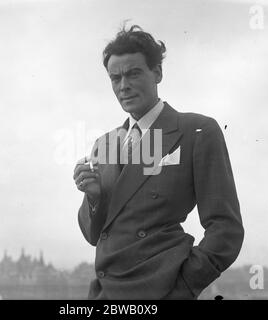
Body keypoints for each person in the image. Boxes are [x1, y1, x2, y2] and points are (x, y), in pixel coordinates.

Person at [73, 25, 244, 300]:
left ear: (158, 73)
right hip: (105, 293)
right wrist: (94, 199)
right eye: (115, 78)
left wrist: (184, 285)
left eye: (133, 73)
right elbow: (95, 236)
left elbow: (226, 228)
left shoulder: (197, 131)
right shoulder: (104, 144)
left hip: (161, 290)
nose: (123, 86)